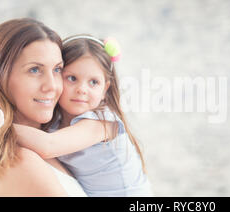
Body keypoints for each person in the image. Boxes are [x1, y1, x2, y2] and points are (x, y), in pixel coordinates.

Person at [11, 34, 153, 196]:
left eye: (93, 82)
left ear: (104, 90)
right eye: (72, 78)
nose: (82, 89)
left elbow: (47, 146)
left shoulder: (103, 123)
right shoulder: (54, 122)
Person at [0, 18, 87, 196]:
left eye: (57, 69)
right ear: (0, 78)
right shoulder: (18, 161)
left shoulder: (51, 144)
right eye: (34, 70)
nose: (52, 86)